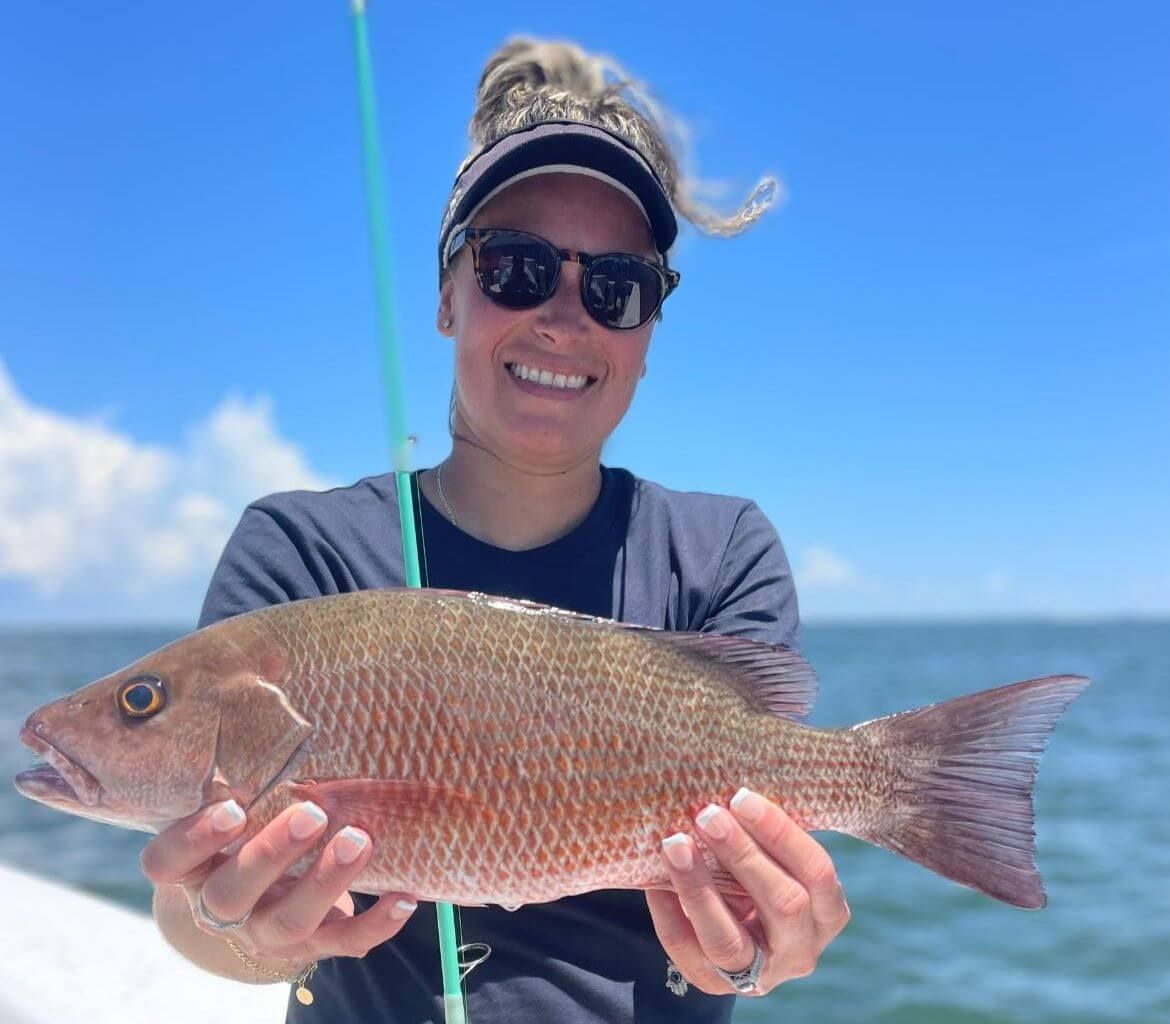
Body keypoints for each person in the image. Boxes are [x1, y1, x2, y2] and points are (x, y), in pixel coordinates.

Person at [140, 37, 850, 1024]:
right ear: (447, 295)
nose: (564, 316)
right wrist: (232, 927)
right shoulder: (303, 554)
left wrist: (759, 947)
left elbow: (761, 892)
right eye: (515, 268)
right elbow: (185, 911)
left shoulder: (719, 553)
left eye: (616, 287)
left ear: (648, 334)